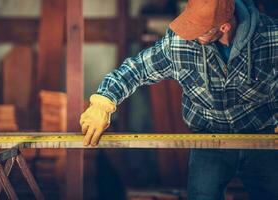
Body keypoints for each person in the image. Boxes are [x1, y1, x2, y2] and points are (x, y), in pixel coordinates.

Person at [80, 0, 278, 199]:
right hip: (209, 141)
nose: (189, 35)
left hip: (261, 138)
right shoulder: (178, 43)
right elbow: (136, 70)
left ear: (224, 26)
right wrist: (103, 100)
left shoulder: (271, 38)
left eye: (199, 30)